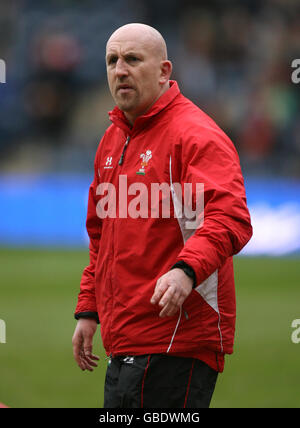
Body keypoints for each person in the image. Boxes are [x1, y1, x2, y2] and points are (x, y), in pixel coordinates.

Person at [72, 23, 252, 408]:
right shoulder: (112, 139)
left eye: (133, 59)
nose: (120, 69)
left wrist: (185, 270)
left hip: (176, 338)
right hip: (125, 337)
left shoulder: (196, 135)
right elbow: (101, 235)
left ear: (164, 71)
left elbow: (230, 216)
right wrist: (89, 307)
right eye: (112, 60)